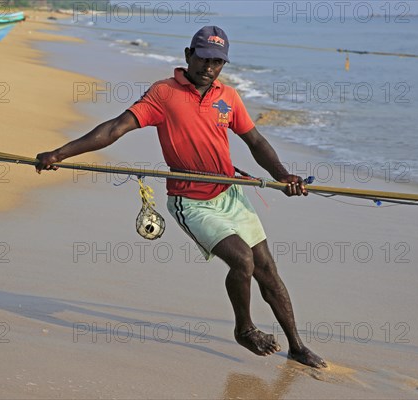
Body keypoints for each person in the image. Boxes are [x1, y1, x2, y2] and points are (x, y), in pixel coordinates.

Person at [35, 26, 327, 369]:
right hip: (191, 202)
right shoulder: (163, 94)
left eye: (218, 61)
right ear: (188, 55)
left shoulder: (228, 97)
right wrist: (60, 153)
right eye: (203, 58)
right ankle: (244, 329)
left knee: (267, 271)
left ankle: (296, 346)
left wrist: (283, 176)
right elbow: (115, 128)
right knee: (242, 261)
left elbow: (257, 142)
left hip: (230, 193)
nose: (209, 67)